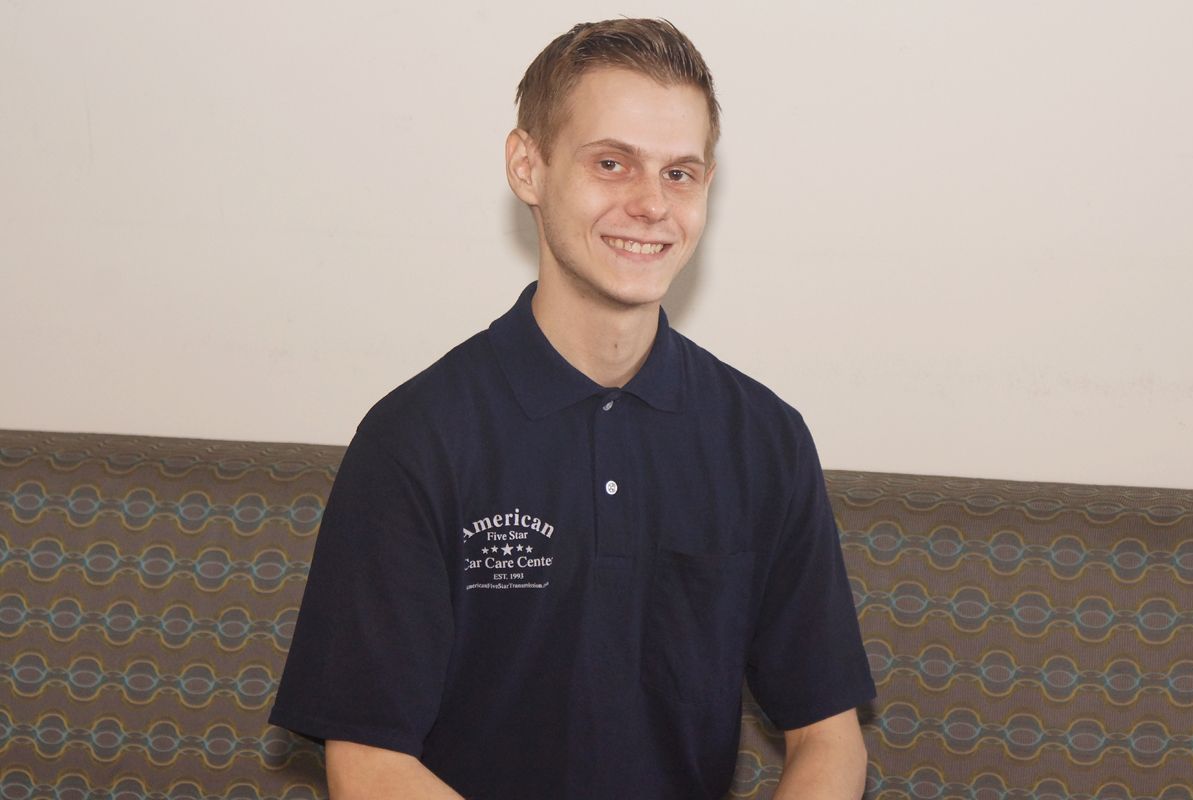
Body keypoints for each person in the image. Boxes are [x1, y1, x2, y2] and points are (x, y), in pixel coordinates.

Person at [269, 18, 875, 799]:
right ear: (529, 166)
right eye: (612, 163)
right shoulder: (416, 439)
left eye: (680, 173)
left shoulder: (764, 438)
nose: (651, 204)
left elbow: (828, 737)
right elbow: (368, 763)